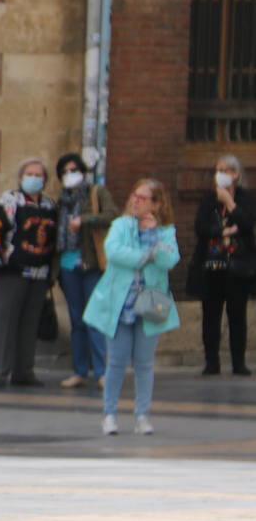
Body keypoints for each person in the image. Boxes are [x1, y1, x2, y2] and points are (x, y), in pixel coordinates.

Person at [84, 179, 180, 435]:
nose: (136, 201)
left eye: (144, 198)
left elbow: (170, 259)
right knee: (115, 361)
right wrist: (145, 256)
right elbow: (114, 252)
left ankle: (142, 415)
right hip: (120, 302)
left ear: (157, 203)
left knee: (144, 363)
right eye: (135, 195)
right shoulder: (120, 225)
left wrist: (152, 239)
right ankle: (109, 414)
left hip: (150, 303)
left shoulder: (165, 230)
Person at [0, 157, 59, 387]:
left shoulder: (49, 206)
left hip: (39, 273)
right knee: (6, 322)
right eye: (30, 174)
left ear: (45, 180)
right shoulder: (10, 200)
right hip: (13, 270)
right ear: (21, 177)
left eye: (38, 175)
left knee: (29, 323)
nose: (34, 178)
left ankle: (24, 370)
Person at [186, 155, 253, 376]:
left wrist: (230, 203)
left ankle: (238, 363)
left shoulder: (246, 199)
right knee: (211, 316)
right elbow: (200, 227)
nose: (221, 174)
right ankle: (211, 362)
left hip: (237, 266)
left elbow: (247, 224)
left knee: (237, 315)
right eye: (218, 169)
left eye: (225, 170)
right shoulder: (209, 200)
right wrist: (223, 231)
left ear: (235, 174)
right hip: (211, 264)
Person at [55, 153, 115, 389]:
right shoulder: (60, 200)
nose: (70, 175)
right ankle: (79, 371)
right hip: (68, 264)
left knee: (95, 318)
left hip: (91, 263)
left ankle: (102, 371)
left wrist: (84, 220)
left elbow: (112, 214)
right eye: (65, 172)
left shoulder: (96, 193)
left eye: (74, 170)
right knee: (76, 319)